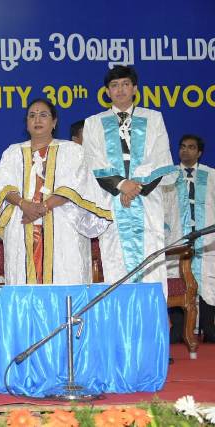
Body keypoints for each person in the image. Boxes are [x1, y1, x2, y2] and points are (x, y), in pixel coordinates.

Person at [0, 99, 112, 284]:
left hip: (62, 225)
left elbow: (75, 184)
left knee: (65, 279)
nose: (37, 120)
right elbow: (3, 185)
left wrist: (43, 206)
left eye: (43, 115)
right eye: (32, 116)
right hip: (22, 224)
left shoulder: (71, 151)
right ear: (26, 123)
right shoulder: (13, 152)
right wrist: (24, 204)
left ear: (54, 122)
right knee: (22, 281)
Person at [83, 66, 176, 292]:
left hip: (147, 200)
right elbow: (92, 160)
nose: (120, 90)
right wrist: (121, 185)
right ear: (107, 92)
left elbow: (160, 157)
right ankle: (121, 313)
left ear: (135, 88)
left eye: (125, 84)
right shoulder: (94, 122)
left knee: (151, 259)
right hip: (112, 200)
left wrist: (135, 188)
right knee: (115, 260)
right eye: (114, 86)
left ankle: (151, 312)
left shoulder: (153, 118)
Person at [163, 135, 215, 342]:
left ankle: (208, 328)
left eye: (191, 147)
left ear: (199, 152)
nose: (186, 151)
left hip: (206, 240)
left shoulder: (211, 175)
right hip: (177, 236)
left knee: (207, 280)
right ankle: (177, 330)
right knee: (177, 279)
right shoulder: (169, 176)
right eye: (183, 146)